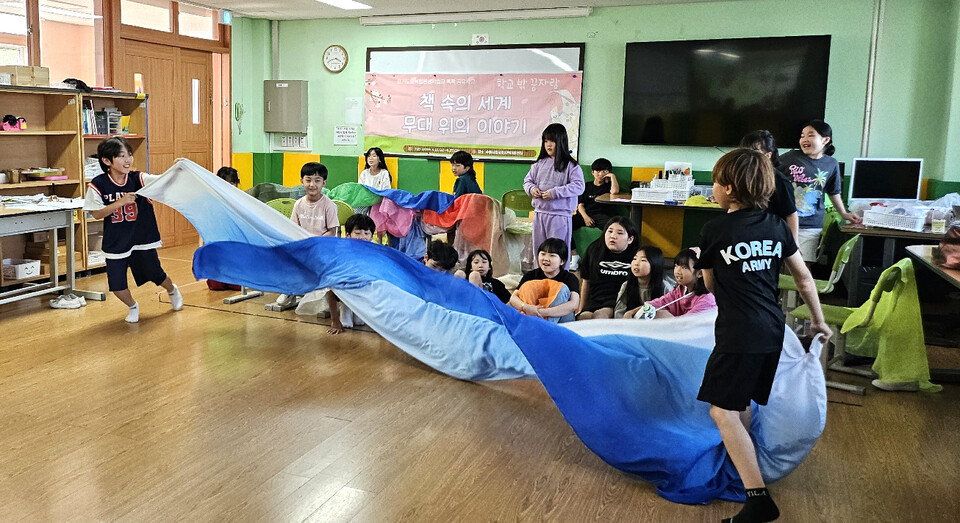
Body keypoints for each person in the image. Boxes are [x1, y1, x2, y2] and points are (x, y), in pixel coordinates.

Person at [698, 148, 831, 523]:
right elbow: (803, 277)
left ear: (728, 188)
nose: (714, 188)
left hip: (739, 331)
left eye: (715, 182)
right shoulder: (776, 226)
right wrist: (818, 321)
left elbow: (709, 284)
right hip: (773, 328)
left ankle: (758, 499)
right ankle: (745, 475)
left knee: (720, 409)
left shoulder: (715, 230)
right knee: (739, 404)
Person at [83, 136, 182, 323]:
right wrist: (119, 202)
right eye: (121, 156)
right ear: (106, 161)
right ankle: (132, 306)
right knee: (117, 286)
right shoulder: (98, 184)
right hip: (117, 240)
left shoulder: (139, 178)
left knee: (155, 274)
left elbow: (164, 180)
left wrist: (176, 168)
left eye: (129, 154)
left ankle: (172, 289)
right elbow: (96, 214)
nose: (128, 160)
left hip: (142, 236)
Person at [778, 120, 861, 263]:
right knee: (778, 263)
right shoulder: (790, 157)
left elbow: (833, 192)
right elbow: (767, 176)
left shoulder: (831, 164)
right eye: (802, 136)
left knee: (802, 264)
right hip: (782, 221)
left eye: (810, 135)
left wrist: (844, 213)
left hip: (810, 224)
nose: (804, 139)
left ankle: (802, 286)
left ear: (825, 140)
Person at [274, 162, 339, 308]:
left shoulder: (329, 205)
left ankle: (322, 295)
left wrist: (314, 243)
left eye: (317, 180)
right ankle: (290, 291)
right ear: (301, 181)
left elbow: (332, 232)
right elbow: (293, 228)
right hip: (303, 246)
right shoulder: (298, 204)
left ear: (324, 183)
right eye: (308, 180)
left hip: (323, 247)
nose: (312, 184)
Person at [523, 123, 585, 269]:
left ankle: (559, 283)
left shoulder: (571, 166)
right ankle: (538, 280)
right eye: (545, 141)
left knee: (558, 252)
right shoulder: (539, 164)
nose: (548, 145)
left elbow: (579, 186)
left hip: (560, 216)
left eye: (552, 141)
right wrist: (532, 189)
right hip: (540, 214)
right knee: (540, 251)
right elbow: (527, 181)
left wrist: (555, 193)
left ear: (561, 142)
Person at [739, 130, 799, 243]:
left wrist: (794, 243)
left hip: (773, 237)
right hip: (747, 235)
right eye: (744, 151)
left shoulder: (780, 181)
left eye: (754, 151)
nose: (748, 155)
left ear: (768, 155)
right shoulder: (742, 176)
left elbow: (791, 214)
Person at [577, 216, 638, 319]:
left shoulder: (636, 256)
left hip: (618, 302)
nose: (613, 236)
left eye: (620, 233)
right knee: (583, 318)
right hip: (595, 298)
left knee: (600, 315)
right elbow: (586, 282)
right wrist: (581, 309)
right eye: (610, 231)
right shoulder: (594, 249)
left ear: (630, 239)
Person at [508, 238, 580, 323]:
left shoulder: (569, 278)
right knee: (527, 287)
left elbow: (574, 304)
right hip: (532, 315)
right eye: (543, 254)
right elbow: (513, 297)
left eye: (552, 255)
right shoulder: (531, 275)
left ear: (562, 261)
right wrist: (526, 307)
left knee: (562, 288)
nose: (545, 258)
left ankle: (545, 326)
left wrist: (542, 312)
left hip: (560, 321)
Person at [327, 214, 376, 335]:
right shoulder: (340, 252)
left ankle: (358, 310)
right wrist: (335, 320)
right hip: (343, 290)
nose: (362, 237)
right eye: (357, 233)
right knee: (336, 281)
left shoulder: (375, 251)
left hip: (364, 293)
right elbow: (331, 288)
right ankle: (346, 309)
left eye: (366, 233)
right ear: (347, 235)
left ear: (371, 236)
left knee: (360, 321)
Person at [571, 158, 619, 270]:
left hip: (601, 215)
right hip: (585, 214)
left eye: (604, 171)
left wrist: (613, 177)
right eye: (597, 171)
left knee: (611, 229)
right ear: (592, 172)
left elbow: (615, 192)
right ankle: (574, 256)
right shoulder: (586, 186)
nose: (600, 174)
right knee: (565, 225)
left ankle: (604, 257)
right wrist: (586, 217)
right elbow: (580, 205)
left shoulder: (608, 186)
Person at [644, 248, 716, 318]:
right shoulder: (681, 290)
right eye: (676, 266)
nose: (677, 271)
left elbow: (687, 324)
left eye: (684, 267)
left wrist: (666, 316)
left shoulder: (707, 300)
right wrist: (640, 309)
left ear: (700, 273)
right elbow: (661, 302)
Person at [207, 166, 243, 291]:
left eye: (232, 183)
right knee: (216, 286)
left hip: (237, 247)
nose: (228, 186)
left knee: (238, 286)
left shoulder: (243, 201)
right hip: (219, 247)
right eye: (224, 183)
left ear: (236, 184)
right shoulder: (212, 202)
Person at [615, 246, 673, 319]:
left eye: (643, 260)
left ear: (655, 263)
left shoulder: (665, 287)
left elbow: (671, 314)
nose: (636, 263)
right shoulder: (626, 285)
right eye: (635, 259)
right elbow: (619, 313)